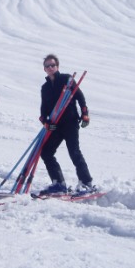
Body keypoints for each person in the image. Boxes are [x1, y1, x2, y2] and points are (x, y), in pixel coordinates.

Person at [39, 54, 93, 194]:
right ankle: (59, 184)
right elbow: (43, 110)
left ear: (57, 66)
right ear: (44, 69)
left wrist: (85, 113)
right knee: (46, 152)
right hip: (55, 126)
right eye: (47, 66)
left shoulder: (67, 79)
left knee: (74, 152)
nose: (50, 68)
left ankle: (87, 183)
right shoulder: (44, 88)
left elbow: (80, 97)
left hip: (70, 123)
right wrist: (46, 122)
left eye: (53, 65)